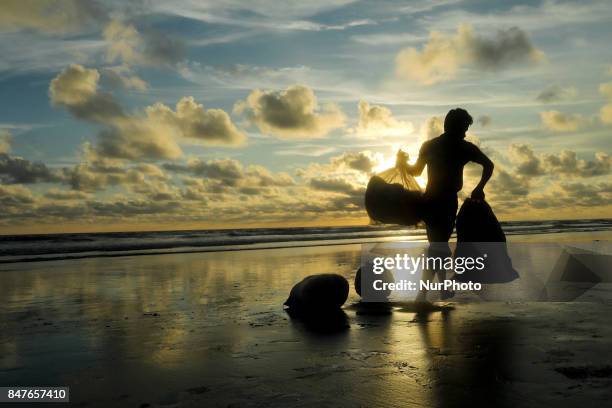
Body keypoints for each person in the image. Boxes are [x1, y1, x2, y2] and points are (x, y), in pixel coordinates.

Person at [407, 108, 494, 301]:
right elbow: (489, 165)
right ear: (456, 127)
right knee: (438, 246)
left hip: (428, 201)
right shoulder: (463, 147)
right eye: (464, 128)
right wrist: (479, 188)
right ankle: (422, 294)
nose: (465, 133)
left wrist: (402, 164)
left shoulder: (429, 145)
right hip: (445, 202)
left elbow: (415, 172)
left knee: (437, 245)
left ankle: (440, 289)